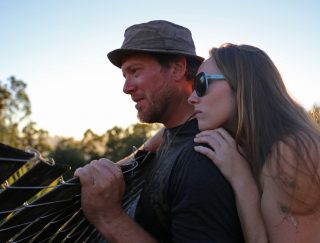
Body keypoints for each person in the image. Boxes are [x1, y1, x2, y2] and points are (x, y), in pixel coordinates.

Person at [74, 21, 245, 242]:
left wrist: (109, 218)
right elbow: (154, 144)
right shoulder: (172, 135)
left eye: (135, 72)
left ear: (176, 68)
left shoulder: (201, 159)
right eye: (124, 76)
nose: (126, 88)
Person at [187, 43, 320, 243]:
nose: (191, 98)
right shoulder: (256, 142)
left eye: (201, 84)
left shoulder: (292, 152)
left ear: (241, 84)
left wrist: (242, 181)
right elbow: (166, 133)